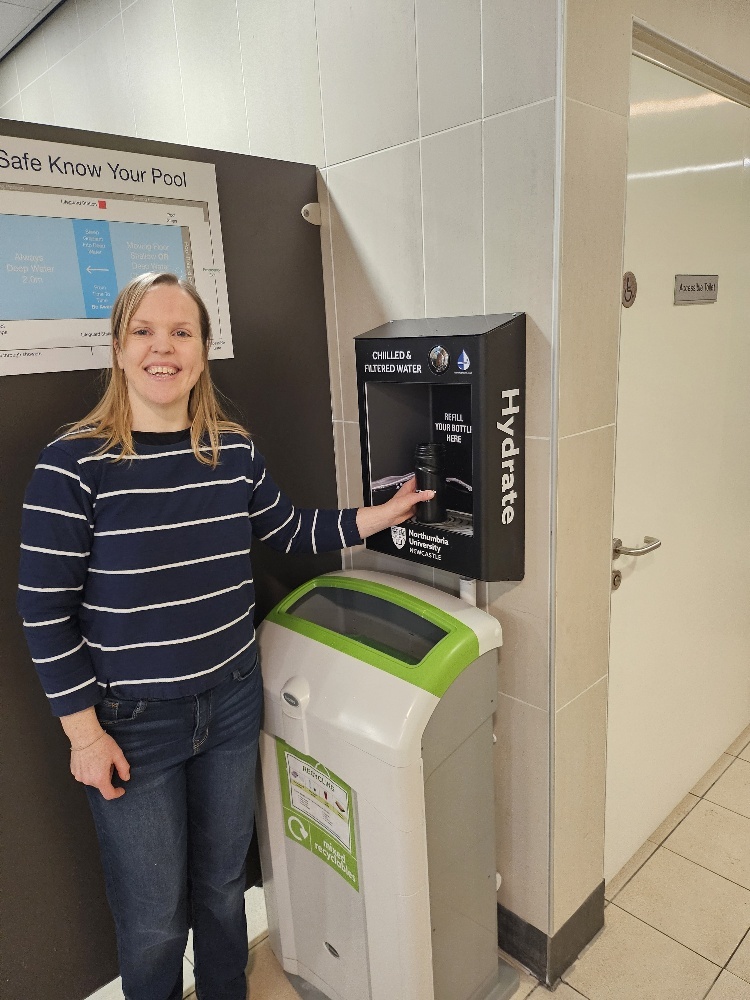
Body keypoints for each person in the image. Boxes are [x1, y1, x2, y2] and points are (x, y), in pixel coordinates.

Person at [17, 271, 431, 1000]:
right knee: (151, 920)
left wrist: (377, 518)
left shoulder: (230, 449)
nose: (163, 348)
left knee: (220, 887)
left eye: (181, 332)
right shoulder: (73, 466)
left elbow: (291, 529)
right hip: (132, 724)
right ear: (118, 349)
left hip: (234, 705)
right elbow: (43, 613)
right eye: (144, 331)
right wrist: (85, 737)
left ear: (203, 352)